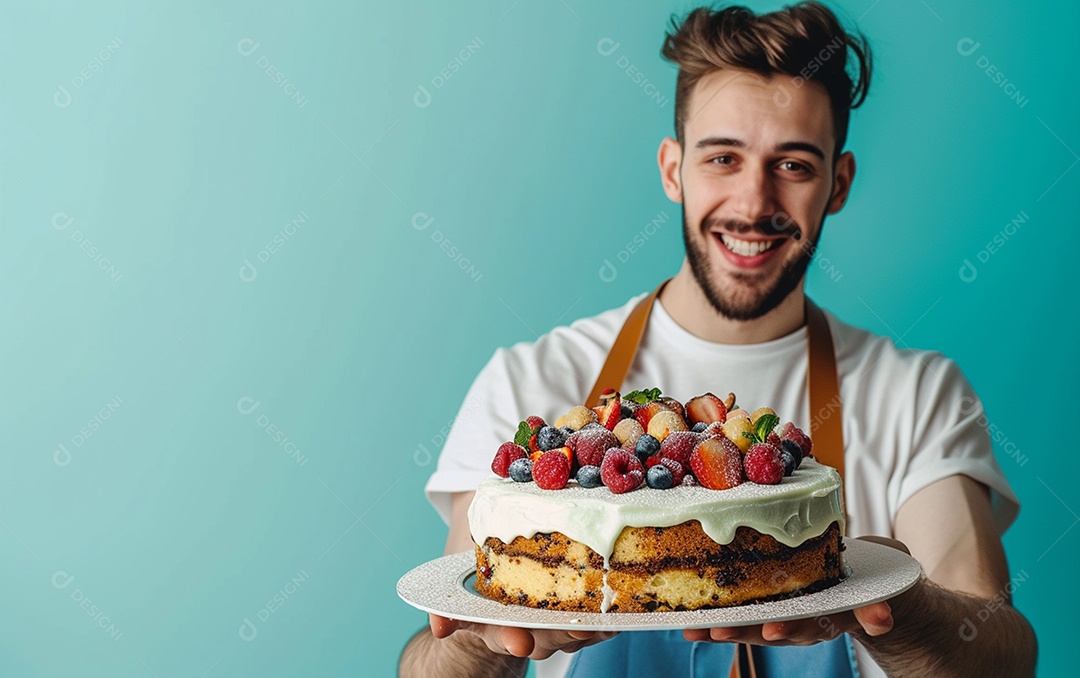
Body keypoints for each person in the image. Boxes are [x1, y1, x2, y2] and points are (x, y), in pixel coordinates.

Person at [399, 3, 1037, 676]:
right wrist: (488, 634)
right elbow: (435, 659)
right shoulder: (528, 381)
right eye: (723, 157)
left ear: (838, 183)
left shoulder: (918, 394)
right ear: (673, 169)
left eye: (792, 165)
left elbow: (999, 658)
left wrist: (899, 614)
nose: (753, 201)